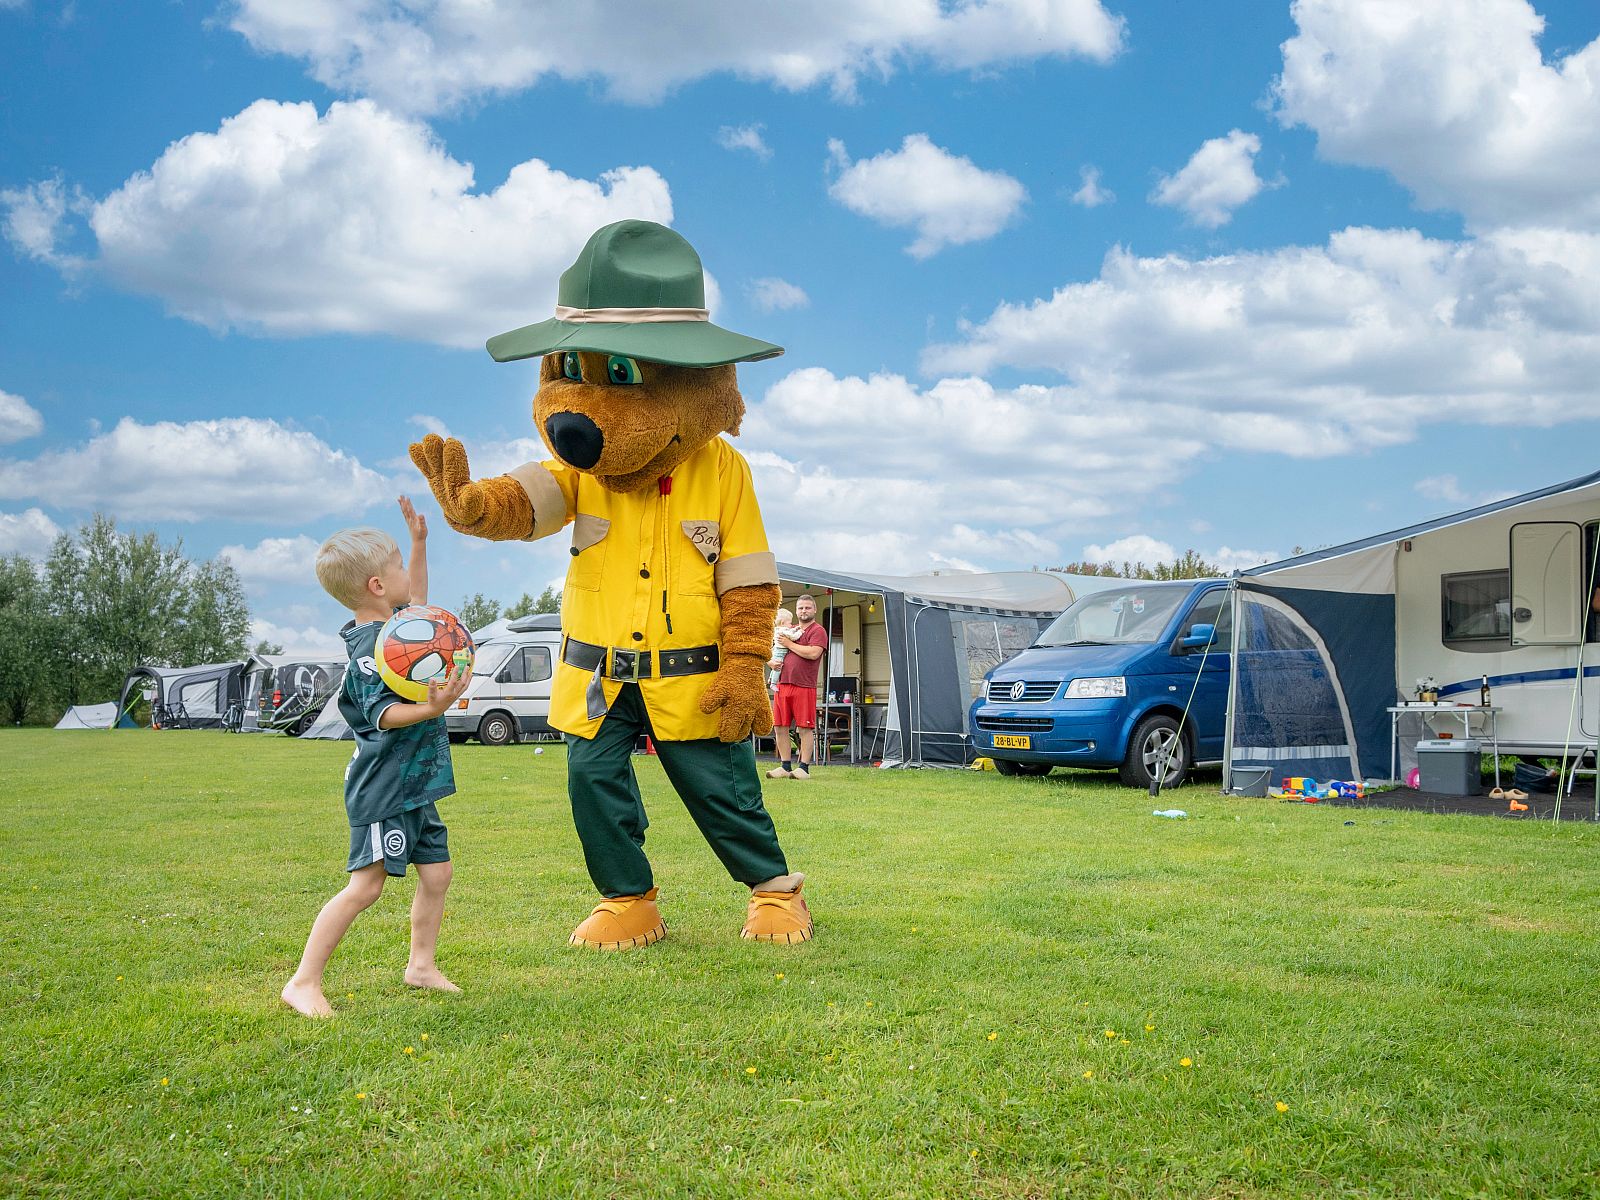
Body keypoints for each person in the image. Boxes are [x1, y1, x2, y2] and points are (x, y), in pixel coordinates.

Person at [280, 497, 471, 1018]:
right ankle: (302, 982)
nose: (407, 577)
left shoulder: (397, 629)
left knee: (437, 874)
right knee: (366, 886)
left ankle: (421, 966)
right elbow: (383, 715)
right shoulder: (368, 652)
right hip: (383, 787)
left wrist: (418, 543)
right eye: (397, 569)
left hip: (415, 785)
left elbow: (422, 607)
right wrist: (434, 706)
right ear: (377, 587)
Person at [768, 594, 827, 780]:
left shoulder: (818, 631)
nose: (804, 611)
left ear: (815, 610)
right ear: (796, 611)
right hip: (782, 685)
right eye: (801, 608)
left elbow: (813, 653)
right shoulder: (789, 630)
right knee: (780, 726)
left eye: (808, 608)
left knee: (804, 727)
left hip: (804, 685)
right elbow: (771, 649)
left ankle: (803, 768)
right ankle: (785, 766)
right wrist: (770, 662)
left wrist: (789, 644)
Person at [768, 607, 800, 690]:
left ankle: (770, 679)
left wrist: (794, 629)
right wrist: (799, 632)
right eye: (789, 623)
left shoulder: (777, 629)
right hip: (780, 652)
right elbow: (793, 637)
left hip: (776, 651)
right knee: (778, 668)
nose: (791, 625)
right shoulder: (783, 630)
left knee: (774, 667)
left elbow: (789, 631)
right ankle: (773, 683)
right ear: (782, 623)